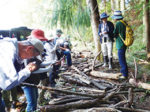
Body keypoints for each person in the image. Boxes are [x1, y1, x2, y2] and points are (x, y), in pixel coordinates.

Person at [0, 37, 44, 112]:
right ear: (29, 49)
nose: (31, 58)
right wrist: (27, 70)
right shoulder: (7, 50)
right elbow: (7, 83)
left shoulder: (13, 49)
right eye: (33, 55)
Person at [112, 10, 128, 78]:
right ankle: (123, 72)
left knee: (121, 59)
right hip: (124, 43)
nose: (114, 19)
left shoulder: (118, 24)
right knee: (122, 58)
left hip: (120, 44)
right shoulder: (124, 22)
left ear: (117, 17)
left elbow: (114, 33)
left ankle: (124, 74)